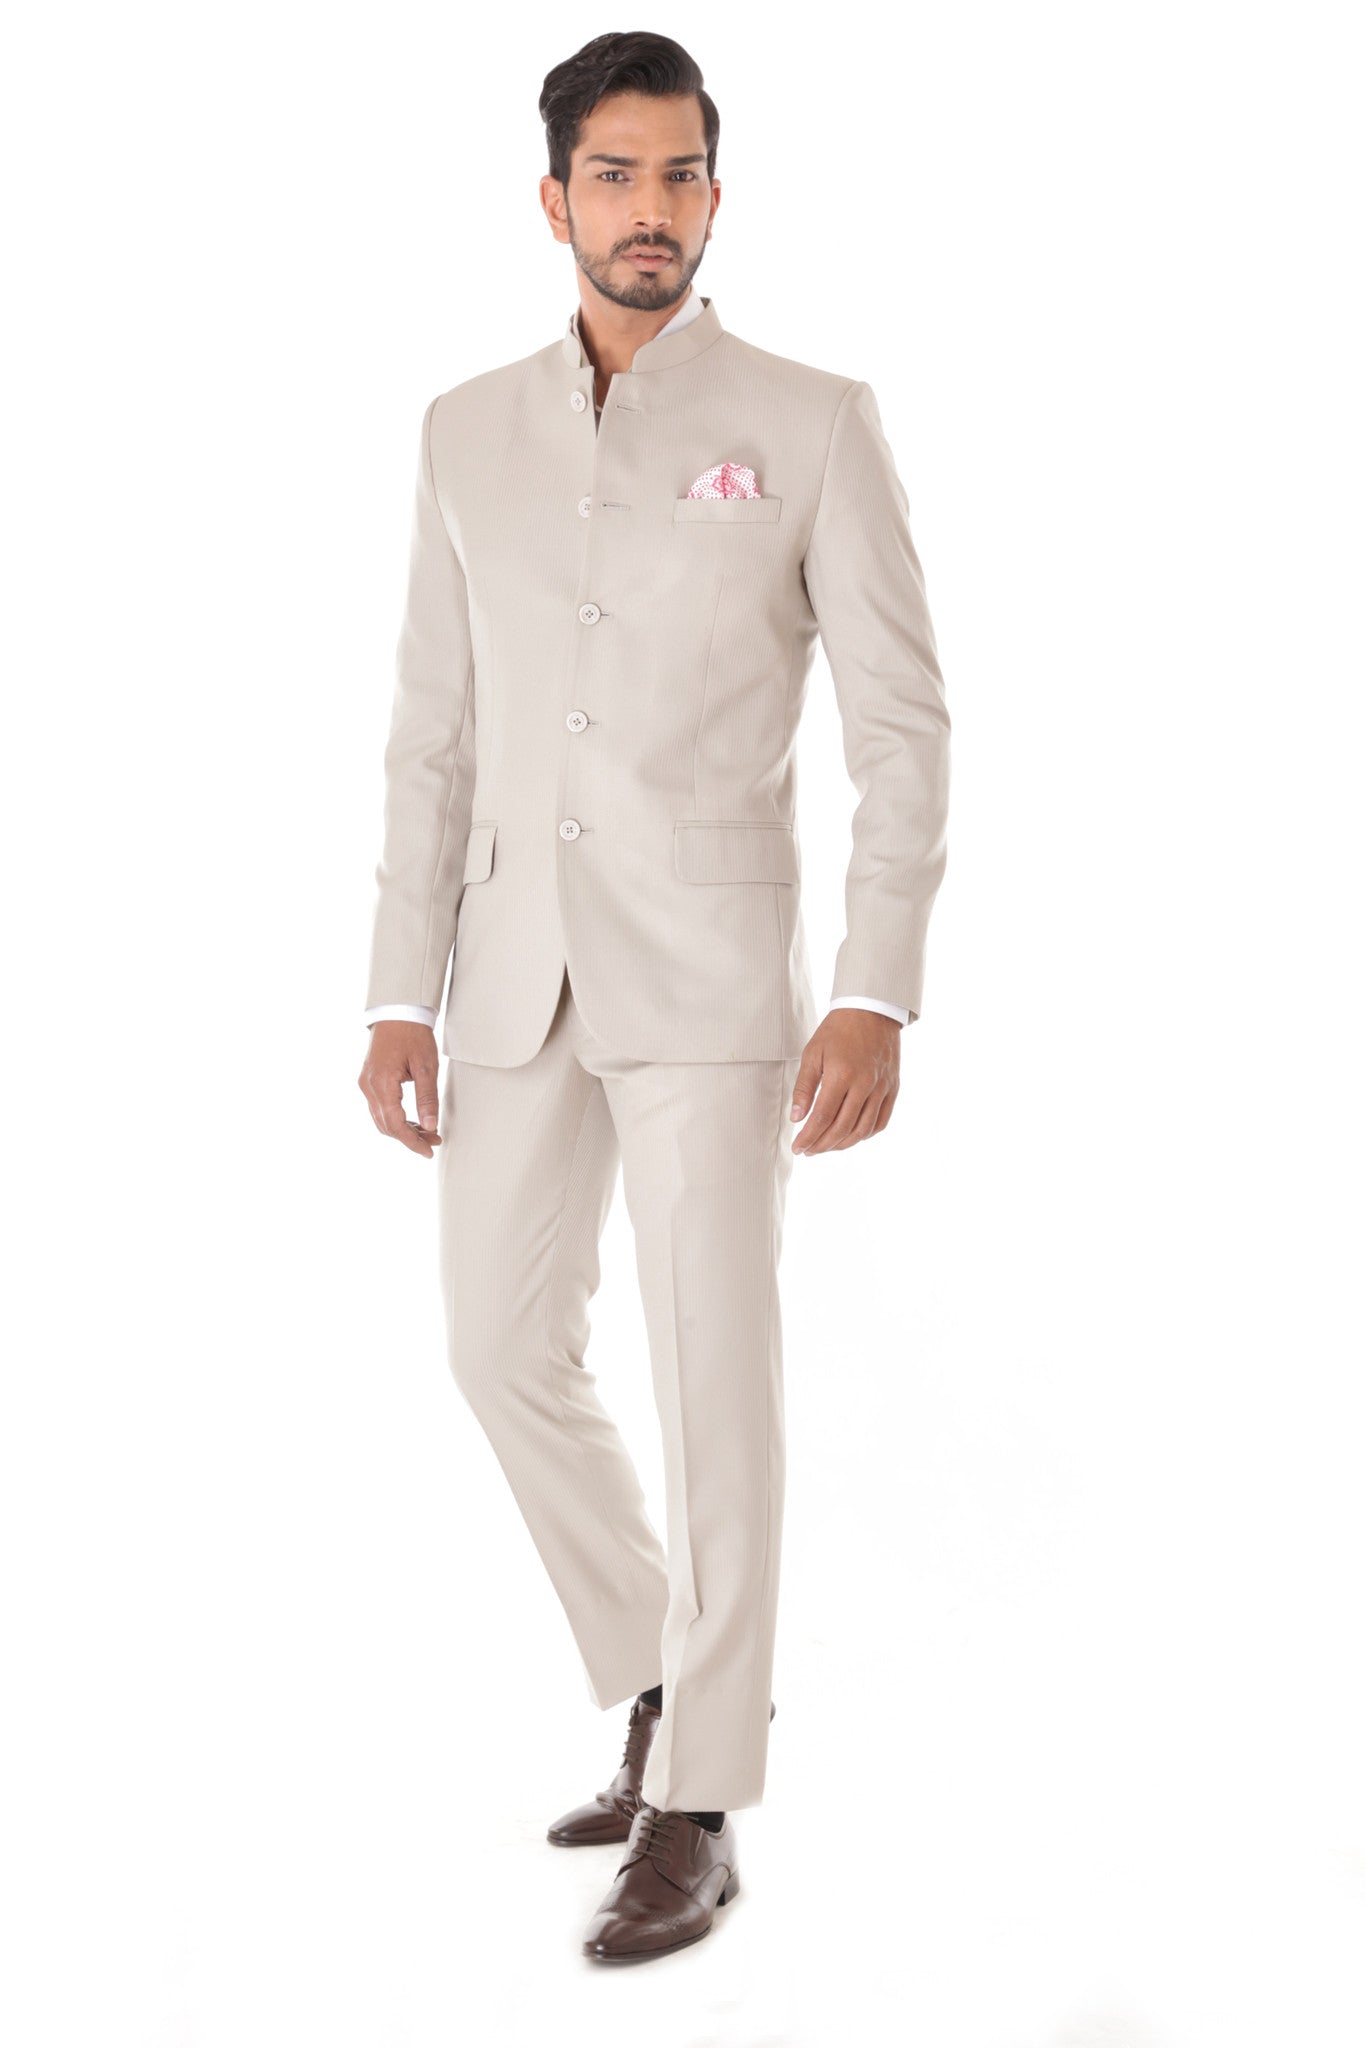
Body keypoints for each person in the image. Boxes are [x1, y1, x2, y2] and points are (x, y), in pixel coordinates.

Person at [358, 29, 950, 1964]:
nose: (649, 209)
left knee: (715, 1382)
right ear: (553, 200)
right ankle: (657, 1674)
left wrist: (873, 989)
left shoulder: (813, 419)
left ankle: (700, 1794)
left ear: (714, 195)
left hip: (712, 975)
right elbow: (433, 729)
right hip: (508, 970)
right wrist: (395, 989)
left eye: (679, 174)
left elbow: (901, 726)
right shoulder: (462, 430)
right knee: (495, 1346)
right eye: (613, 175)